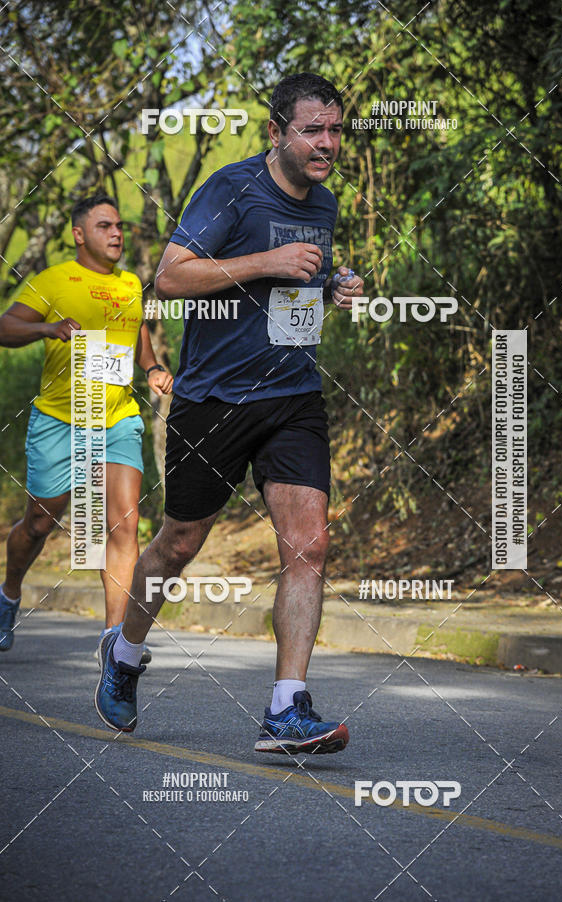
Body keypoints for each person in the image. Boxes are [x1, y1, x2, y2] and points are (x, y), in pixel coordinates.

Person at [95, 73, 364, 753]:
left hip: (293, 396)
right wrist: (269, 258)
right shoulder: (231, 189)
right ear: (276, 133)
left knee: (309, 545)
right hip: (213, 400)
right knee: (181, 542)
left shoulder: (325, 204)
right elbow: (171, 276)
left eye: (335, 129)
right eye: (313, 129)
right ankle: (124, 653)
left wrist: (333, 287)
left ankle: (287, 706)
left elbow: (292, 291)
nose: (327, 142)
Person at [0, 194, 173, 659]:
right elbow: (4, 328)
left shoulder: (131, 283)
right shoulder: (52, 281)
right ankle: (9, 593)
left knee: (123, 523)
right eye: (104, 226)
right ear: (79, 234)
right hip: (60, 420)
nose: (117, 233)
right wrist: (46, 329)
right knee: (40, 520)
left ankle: (113, 643)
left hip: (117, 418)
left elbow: (135, 334)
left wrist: (153, 368)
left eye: (119, 226)